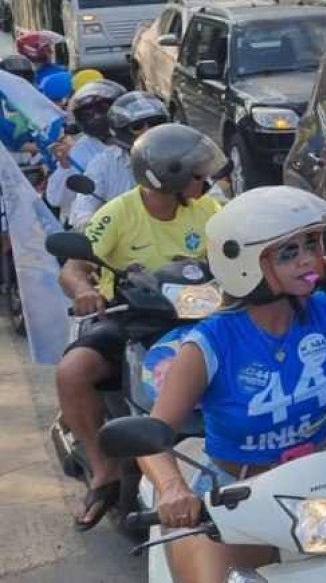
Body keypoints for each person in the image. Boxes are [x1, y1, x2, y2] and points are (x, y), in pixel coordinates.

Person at [135, 186, 326, 583]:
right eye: (289, 252)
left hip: (324, 498)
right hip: (234, 500)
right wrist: (171, 489)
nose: (308, 259)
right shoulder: (209, 345)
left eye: (312, 244)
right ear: (246, 263)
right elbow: (152, 437)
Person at [54, 123, 225, 531]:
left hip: (201, 317)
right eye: (197, 175)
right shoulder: (119, 212)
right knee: (72, 371)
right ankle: (104, 471)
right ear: (170, 176)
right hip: (133, 320)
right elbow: (73, 267)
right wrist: (83, 290)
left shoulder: (209, 209)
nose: (205, 181)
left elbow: (237, 245)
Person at [65, 89, 166, 229]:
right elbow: (82, 212)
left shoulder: (183, 154)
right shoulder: (103, 164)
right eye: (137, 126)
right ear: (123, 131)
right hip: (127, 242)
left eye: (154, 123)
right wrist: (103, 227)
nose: (148, 131)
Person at [44, 79, 125, 220]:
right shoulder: (81, 151)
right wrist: (65, 166)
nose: (97, 117)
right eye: (88, 114)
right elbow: (56, 199)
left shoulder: (135, 141)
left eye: (102, 109)